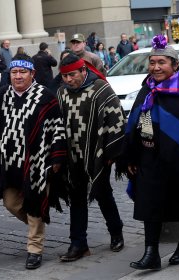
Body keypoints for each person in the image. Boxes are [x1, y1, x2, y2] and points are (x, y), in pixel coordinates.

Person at [125, 34, 179, 270]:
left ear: (175, 65)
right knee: (149, 202)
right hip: (150, 156)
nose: (156, 67)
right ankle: (150, 252)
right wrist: (131, 155)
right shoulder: (147, 89)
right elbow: (134, 121)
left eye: (161, 63)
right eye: (152, 63)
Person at [0, 53, 67, 269]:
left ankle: (35, 248)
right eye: (14, 72)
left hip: (37, 161)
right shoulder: (2, 96)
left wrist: (57, 157)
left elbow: (57, 129)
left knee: (34, 202)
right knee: (11, 203)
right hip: (9, 162)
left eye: (22, 72)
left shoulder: (45, 96)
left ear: (32, 73)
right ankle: (38, 223)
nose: (17, 76)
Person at [57, 54, 126, 262]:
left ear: (83, 71)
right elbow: (58, 123)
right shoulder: (62, 93)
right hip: (73, 156)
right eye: (65, 76)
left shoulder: (101, 89)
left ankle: (116, 232)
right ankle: (78, 243)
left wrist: (110, 153)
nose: (69, 80)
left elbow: (117, 118)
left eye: (72, 75)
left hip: (98, 154)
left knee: (103, 193)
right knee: (76, 198)